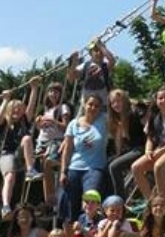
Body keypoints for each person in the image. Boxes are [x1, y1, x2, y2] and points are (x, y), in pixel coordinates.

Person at [58, 94, 109, 224]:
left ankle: (90, 235)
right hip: (74, 167)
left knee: (91, 199)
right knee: (69, 207)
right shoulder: (73, 124)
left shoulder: (104, 120)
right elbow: (67, 150)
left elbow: (120, 121)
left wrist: (119, 151)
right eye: (90, 104)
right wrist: (63, 171)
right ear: (84, 105)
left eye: (96, 106)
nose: (93, 108)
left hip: (95, 167)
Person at [0, 80, 41, 218]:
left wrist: (34, 88)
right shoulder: (4, 123)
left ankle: (30, 170)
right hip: (6, 154)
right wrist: (6, 99)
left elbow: (31, 106)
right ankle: (6, 206)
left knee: (27, 138)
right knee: (9, 177)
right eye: (14, 108)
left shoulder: (24, 122)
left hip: (20, 155)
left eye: (20, 109)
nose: (17, 111)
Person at [34, 81, 72, 205]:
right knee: (44, 166)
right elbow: (42, 128)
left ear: (60, 94)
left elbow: (66, 127)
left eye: (56, 92)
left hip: (56, 141)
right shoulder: (46, 110)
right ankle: (48, 197)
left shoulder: (63, 107)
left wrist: (53, 121)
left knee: (49, 162)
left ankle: (57, 192)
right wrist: (39, 124)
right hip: (43, 141)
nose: (53, 94)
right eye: (51, 91)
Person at [106, 89, 146, 199]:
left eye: (118, 101)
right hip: (131, 149)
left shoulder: (134, 111)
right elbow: (118, 138)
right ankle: (108, 199)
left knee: (114, 166)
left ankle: (120, 200)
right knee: (107, 164)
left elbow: (148, 126)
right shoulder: (117, 117)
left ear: (124, 100)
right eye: (113, 102)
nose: (115, 105)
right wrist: (118, 155)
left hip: (142, 148)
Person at [67, 38, 116, 108]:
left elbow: (112, 60)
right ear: (90, 53)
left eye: (101, 51)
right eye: (96, 50)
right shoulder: (85, 66)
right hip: (86, 105)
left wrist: (101, 46)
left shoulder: (105, 66)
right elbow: (71, 78)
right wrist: (73, 63)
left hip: (103, 105)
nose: (99, 53)